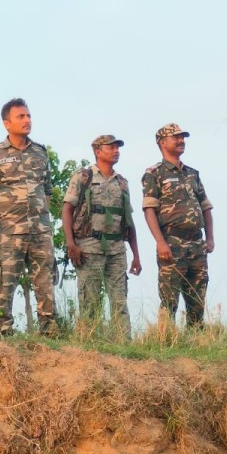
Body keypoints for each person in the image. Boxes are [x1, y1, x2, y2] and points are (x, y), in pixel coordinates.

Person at [0, 98, 56, 335]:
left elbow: (48, 190)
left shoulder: (41, 152)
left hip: (40, 232)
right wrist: (1, 224)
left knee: (45, 283)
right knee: (4, 283)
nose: (27, 120)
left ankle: (49, 332)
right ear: (6, 123)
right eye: (21, 117)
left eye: (29, 116)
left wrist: (40, 217)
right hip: (9, 232)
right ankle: (3, 333)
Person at [61, 134, 142, 333]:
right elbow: (67, 210)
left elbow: (128, 220)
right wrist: (71, 244)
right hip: (88, 247)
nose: (116, 151)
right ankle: (90, 345)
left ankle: (123, 345)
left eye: (117, 148)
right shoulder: (83, 177)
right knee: (90, 301)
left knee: (119, 301)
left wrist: (136, 256)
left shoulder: (122, 182)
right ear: (98, 152)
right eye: (111, 147)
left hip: (116, 250)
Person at [141, 124, 214, 328]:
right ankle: (166, 340)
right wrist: (160, 243)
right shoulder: (154, 173)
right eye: (176, 137)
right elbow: (149, 210)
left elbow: (206, 207)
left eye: (183, 137)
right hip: (172, 243)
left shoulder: (192, 174)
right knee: (169, 298)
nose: (181, 141)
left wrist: (210, 238)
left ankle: (197, 342)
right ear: (162, 143)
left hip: (197, 243)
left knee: (197, 300)